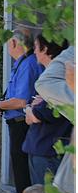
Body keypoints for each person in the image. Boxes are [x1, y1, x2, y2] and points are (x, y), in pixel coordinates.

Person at [0, 29, 43, 193]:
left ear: (14, 43)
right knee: (20, 169)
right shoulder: (23, 63)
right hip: (18, 123)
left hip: (22, 124)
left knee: (22, 171)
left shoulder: (27, 64)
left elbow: (20, 101)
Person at [23, 35, 71, 185]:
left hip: (49, 148)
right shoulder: (45, 76)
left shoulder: (59, 78)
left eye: (37, 47)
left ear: (46, 49)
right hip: (40, 146)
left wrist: (32, 110)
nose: (34, 52)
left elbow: (41, 113)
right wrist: (32, 108)